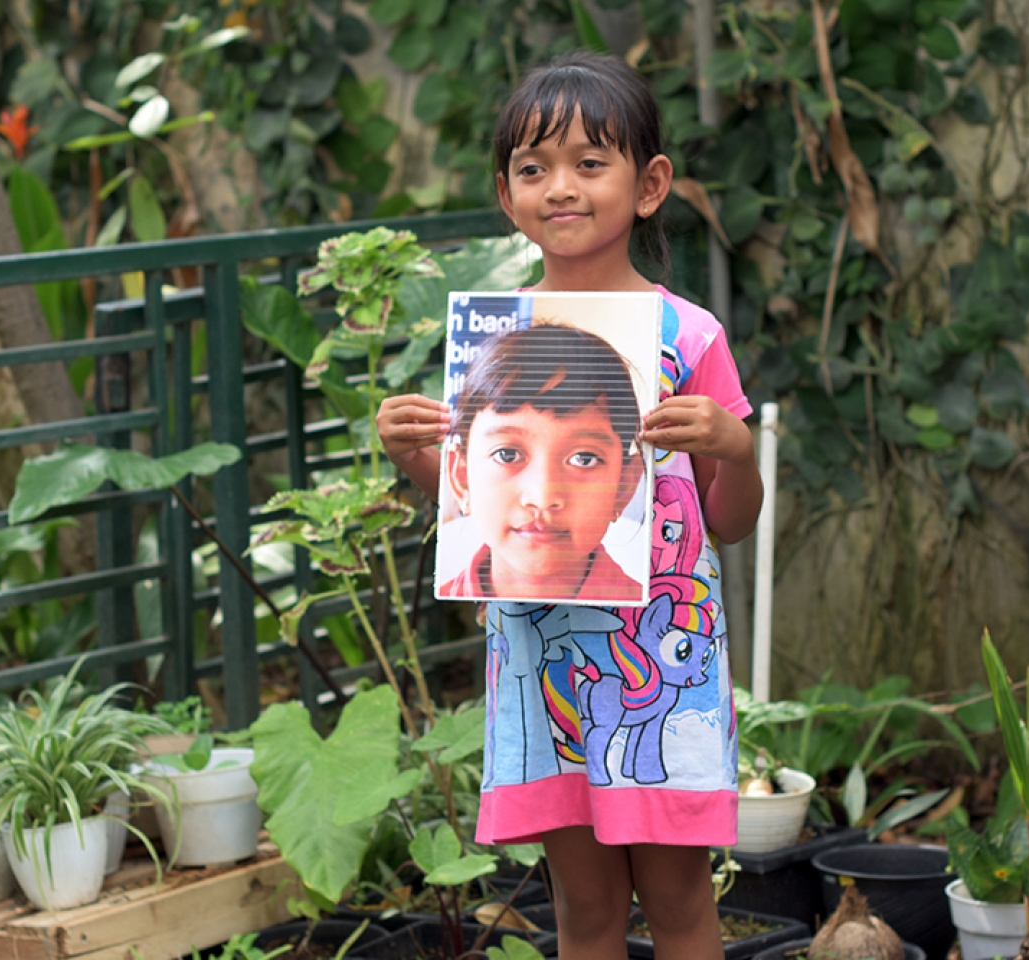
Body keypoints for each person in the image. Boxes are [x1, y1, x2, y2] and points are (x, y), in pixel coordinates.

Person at [376, 50, 763, 960]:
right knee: (582, 914)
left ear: (649, 184)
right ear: (505, 195)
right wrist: (415, 462)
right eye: (533, 168)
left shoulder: (689, 336)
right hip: (540, 680)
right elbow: (479, 522)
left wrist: (737, 449)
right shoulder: (489, 342)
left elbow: (732, 523)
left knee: (680, 907)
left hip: (665, 681)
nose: (562, 187)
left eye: (592, 163)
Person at [437, 322, 647, 603]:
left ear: (623, 485)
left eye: (583, 459)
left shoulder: (659, 619)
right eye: (507, 455)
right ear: (461, 478)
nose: (543, 497)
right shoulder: (446, 596)